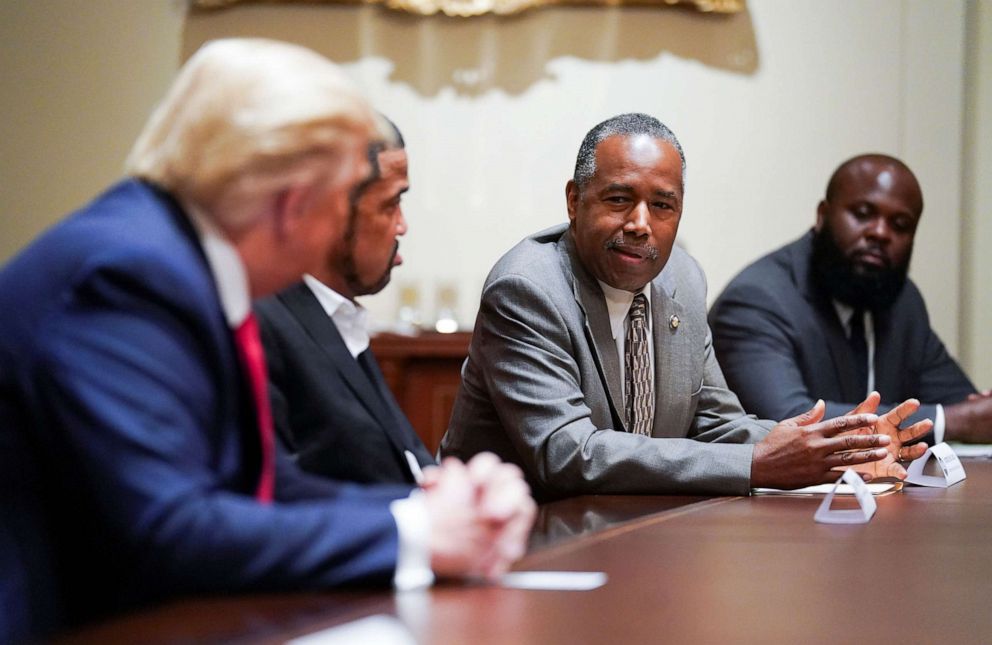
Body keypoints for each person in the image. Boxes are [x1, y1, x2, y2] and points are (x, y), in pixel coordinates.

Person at [0, 39, 534, 642]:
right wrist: (418, 536)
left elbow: (263, 483)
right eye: (341, 203)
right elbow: (164, 531)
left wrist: (433, 512)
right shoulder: (128, 276)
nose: (343, 228)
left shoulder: (179, 258)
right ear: (293, 204)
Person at [440, 113, 929, 502]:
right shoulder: (527, 288)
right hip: (513, 539)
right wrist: (757, 464)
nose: (639, 223)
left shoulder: (682, 280)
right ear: (574, 201)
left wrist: (837, 446)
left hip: (633, 527)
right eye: (618, 199)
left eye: (662, 206)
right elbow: (569, 454)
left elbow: (715, 421)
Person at [709, 153, 992, 445]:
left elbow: (962, 405)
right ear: (822, 215)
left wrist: (976, 414)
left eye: (900, 224)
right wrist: (955, 422)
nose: (880, 233)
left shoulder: (903, 302)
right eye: (862, 213)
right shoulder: (757, 300)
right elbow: (791, 422)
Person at [255, 117, 434, 484]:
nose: (402, 226)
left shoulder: (337, 313)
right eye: (390, 204)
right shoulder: (265, 322)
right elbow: (282, 494)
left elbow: (403, 461)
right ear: (329, 212)